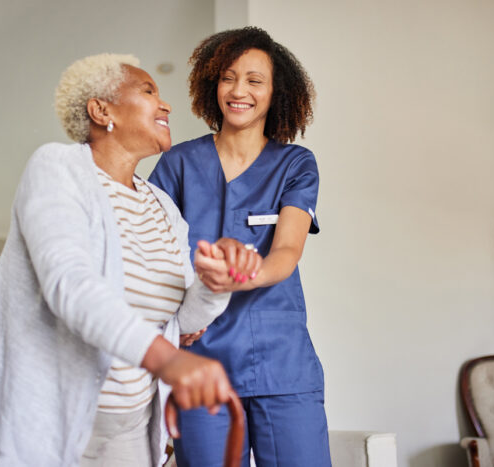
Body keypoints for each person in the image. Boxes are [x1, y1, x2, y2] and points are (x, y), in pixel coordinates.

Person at [0, 53, 258, 467]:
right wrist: (168, 361)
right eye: (149, 91)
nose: (165, 105)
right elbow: (69, 285)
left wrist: (215, 283)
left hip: (129, 426)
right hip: (46, 413)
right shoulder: (57, 167)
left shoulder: (162, 206)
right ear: (101, 109)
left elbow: (179, 323)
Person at [149, 27, 332, 466]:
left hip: (282, 361)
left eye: (254, 81)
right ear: (213, 84)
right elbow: (150, 253)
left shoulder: (295, 164)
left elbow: (286, 252)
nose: (238, 91)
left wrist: (243, 274)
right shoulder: (179, 163)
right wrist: (170, 323)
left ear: (275, 92)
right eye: (228, 77)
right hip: (199, 360)